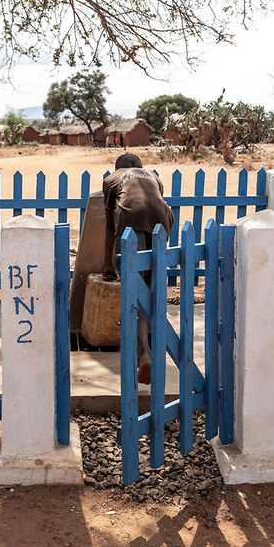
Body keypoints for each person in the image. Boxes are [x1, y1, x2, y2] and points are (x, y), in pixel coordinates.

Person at [101, 153, 174, 385]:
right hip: (162, 218)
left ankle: (144, 354)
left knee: (136, 291)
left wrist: (108, 263)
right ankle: (153, 348)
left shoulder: (111, 179)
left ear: (117, 167)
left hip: (131, 217)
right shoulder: (154, 177)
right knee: (151, 288)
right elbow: (156, 202)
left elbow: (109, 226)